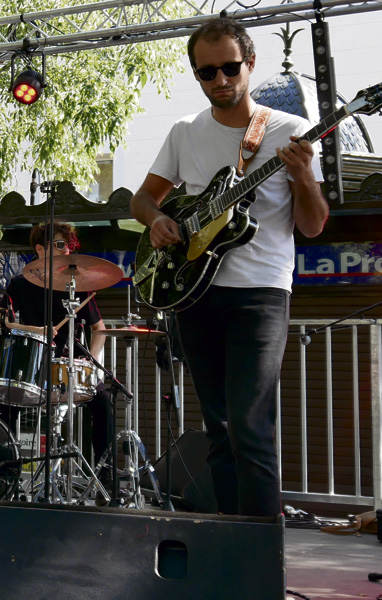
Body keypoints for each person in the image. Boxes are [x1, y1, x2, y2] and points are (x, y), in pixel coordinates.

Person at [130, 17, 329, 517]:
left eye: (229, 68)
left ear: (250, 64)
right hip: (194, 293)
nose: (219, 80)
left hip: (259, 294)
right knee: (217, 427)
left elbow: (312, 226)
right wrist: (155, 220)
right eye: (206, 72)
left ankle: (260, 561)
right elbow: (143, 199)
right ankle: (228, 547)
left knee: (250, 425)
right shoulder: (185, 132)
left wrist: (304, 175)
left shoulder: (290, 130)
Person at [0, 223, 114, 467]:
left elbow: (100, 329)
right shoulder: (19, 284)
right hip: (34, 365)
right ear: (40, 249)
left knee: (103, 402)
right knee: (6, 400)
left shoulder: (77, 286)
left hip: (70, 366)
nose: (67, 250)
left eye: (69, 245)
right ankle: (2, 473)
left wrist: (90, 358)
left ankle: (105, 475)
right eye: (60, 245)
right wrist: (36, 330)